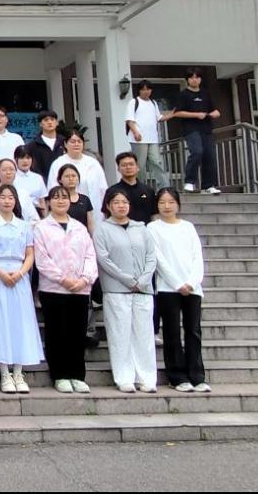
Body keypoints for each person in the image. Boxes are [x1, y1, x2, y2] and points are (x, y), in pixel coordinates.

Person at [0, 185, 43, 394]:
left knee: (20, 322)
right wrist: (1, 274)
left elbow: (30, 254)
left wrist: (21, 273)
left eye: (10, 197)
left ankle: (18, 372)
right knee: (0, 322)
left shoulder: (24, 226)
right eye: (3, 197)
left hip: (19, 277)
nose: (7, 201)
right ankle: (4, 372)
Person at [34, 187, 97, 394]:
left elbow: (90, 255)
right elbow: (42, 259)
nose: (60, 201)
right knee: (57, 333)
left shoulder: (79, 227)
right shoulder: (41, 228)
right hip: (53, 289)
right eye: (56, 197)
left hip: (80, 289)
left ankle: (77, 375)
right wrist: (63, 279)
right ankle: (60, 375)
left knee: (77, 333)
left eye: (64, 197)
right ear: (48, 202)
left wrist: (85, 279)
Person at [94, 190, 158, 393]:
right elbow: (104, 259)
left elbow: (151, 256)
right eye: (116, 202)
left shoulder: (141, 228)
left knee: (144, 335)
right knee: (119, 335)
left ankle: (147, 378)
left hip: (143, 289)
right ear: (108, 206)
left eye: (124, 202)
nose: (121, 206)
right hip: (116, 290)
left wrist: (143, 279)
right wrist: (127, 279)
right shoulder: (102, 229)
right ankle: (124, 377)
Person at [148, 188, 210, 393]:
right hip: (168, 288)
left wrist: (192, 282)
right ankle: (176, 376)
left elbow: (197, 256)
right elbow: (159, 259)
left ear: (178, 204)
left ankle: (197, 376)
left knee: (193, 331)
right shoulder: (153, 228)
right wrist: (177, 284)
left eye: (171, 202)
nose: (167, 206)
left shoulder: (188, 227)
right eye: (162, 202)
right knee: (172, 332)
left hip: (193, 288)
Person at [172, 67, 222, 194]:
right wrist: (196, 115)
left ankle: (208, 185)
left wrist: (215, 114)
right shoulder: (183, 94)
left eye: (197, 77)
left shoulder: (206, 93)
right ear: (187, 80)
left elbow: (215, 110)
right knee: (197, 152)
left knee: (209, 156)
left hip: (206, 129)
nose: (194, 80)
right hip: (191, 129)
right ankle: (190, 181)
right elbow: (177, 113)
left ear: (200, 79)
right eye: (192, 77)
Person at [47, 131, 108, 214]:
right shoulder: (58, 164)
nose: (76, 144)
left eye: (79, 141)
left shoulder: (93, 163)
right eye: (72, 142)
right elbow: (53, 190)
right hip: (68, 210)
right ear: (65, 144)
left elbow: (103, 188)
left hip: (95, 209)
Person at [125, 79, 171, 188]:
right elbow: (129, 120)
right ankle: (139, 188)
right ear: (139, 91)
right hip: (139, 139)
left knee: (156, 162)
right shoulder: (134, 102)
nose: (146, 92)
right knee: (140, 165)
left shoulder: (153, 103)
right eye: (143, 89)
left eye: (148, 89)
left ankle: (164, 187)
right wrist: (135, 132)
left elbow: (159, 117)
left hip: (152, 139)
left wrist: (173, 114)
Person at [104, 152, 157, 225]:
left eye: (131, 164)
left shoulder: (148, 190)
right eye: (124, 165)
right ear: (118, 169)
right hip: (120, 230)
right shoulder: (112, 191)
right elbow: (107, 214)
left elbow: (154, 214)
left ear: (137, 167)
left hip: (145, 230)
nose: (128, 167)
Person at [0, 159, 40, 224]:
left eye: (11, 170)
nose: (8, 172)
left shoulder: (23, 194)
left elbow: (33, 218)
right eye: (4, 170)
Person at [27, 110, 66, 180]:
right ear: (40, 124)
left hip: (64, 181)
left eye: (52, 119)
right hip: (41, 182)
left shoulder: (65, 142)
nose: (49, 122)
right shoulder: (32, 145)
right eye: (46, 120)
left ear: (57, 123)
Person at [57, 164, 95, 232]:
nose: (71, 179)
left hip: (82, 236)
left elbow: (90, 224)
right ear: (60, 180)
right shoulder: (57, 200)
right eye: (67, 176)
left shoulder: (85, 199)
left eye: (73, 176)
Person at [13, 145, 48, 215]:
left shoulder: (38, 178)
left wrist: (45, 218)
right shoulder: (12, 178)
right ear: (16, 159)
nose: (25, 161)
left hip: (37, 214)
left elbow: (42, 201)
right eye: (22, 158)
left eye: (28, 158)